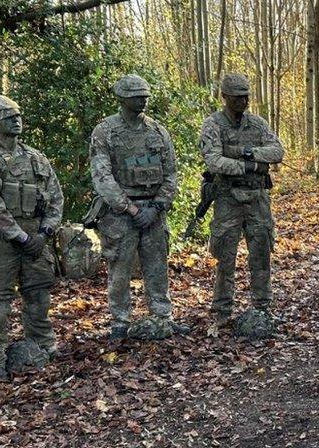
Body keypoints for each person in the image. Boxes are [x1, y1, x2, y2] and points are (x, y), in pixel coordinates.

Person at [0, 95, 64, 381]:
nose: (16, 120)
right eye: (9, 116)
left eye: (18, 115)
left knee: (39, 297)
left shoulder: (35, 157)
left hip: (36, 240)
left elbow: (55, 198)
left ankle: (43, 346)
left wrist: (45, 233)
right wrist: (20, 237)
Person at [90, 74, 182, 340]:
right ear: (122, 99)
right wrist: (130, 209)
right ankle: (120, 321)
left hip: (153, 211)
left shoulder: (157, 131)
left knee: (157, 267)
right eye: (136, 97)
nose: (142, 101)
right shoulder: (105, 132)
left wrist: (157, 207)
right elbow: (102, 177)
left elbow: (171, 173)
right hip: (121, 215)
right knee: (120, 269)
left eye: (145, 96)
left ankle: (162, 317)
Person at [200, 73, 285, 327]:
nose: (243, 101)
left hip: (258, 198)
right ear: (225, 97)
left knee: (261, 252)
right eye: (237, 97)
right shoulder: (213, 124)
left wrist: (245, 154)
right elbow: (214, 160)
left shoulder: (257, 123)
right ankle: (222, 310)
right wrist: (252, 165)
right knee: (225, 256)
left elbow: (277, 151)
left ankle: (262, 307)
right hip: (227, 198)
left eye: (246, 96)